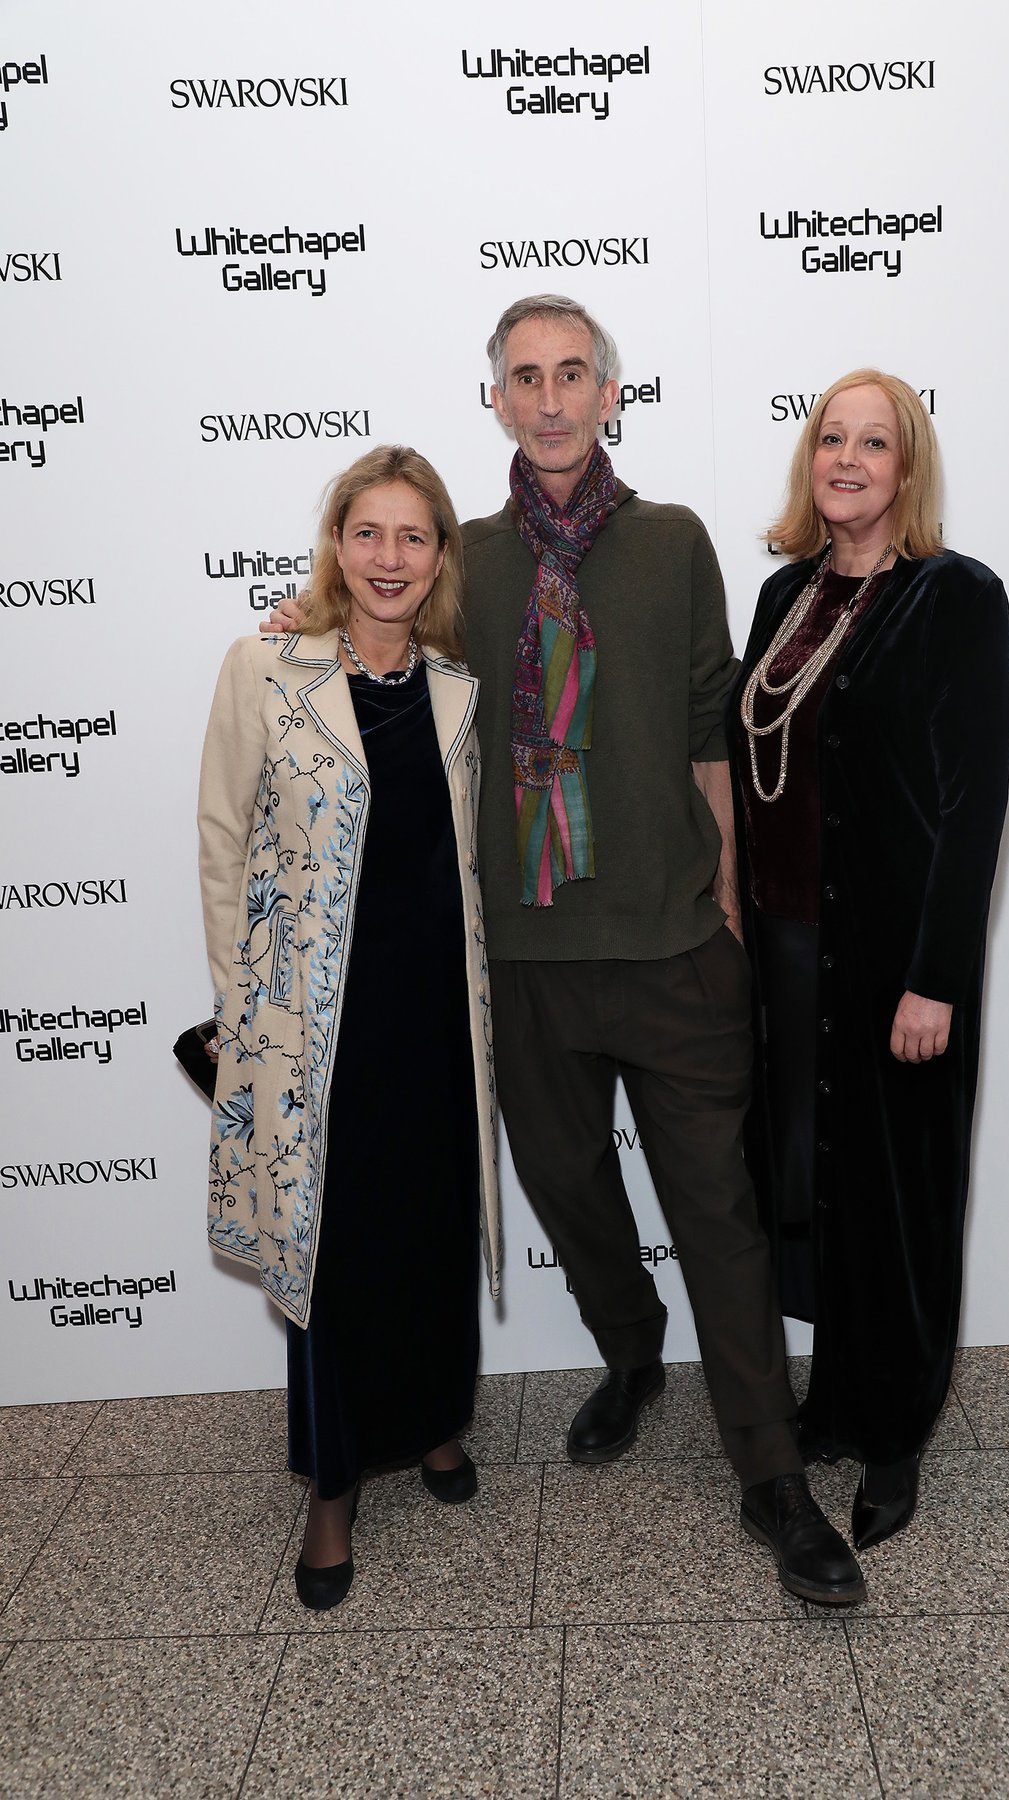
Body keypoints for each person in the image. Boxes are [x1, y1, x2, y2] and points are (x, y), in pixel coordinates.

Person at [266, 296, 865, 1607]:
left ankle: (772, 1476)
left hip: (671, 947)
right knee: (567, 1189)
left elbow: (710, 731)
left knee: (718, 1216)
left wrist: (725, 903)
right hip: (522, 959)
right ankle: (634, 1350)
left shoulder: (674, 541)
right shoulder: (460, 561)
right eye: (525, 377)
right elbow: (375, 640)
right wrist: (294, 629)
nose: (549, 399)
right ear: (496, 400)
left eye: (572, 374)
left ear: (609, 395)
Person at [199, 445, 500, 1611]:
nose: (389, 557)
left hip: (435, 1017)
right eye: (367, 532)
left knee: (430, 1227)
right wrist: (241, 1010)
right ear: (336, 544)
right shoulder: (266, 668)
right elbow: (223, 839)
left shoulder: (456, 691)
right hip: (315, 1028)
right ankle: (331, 1485)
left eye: (413, 536)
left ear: (439, 557)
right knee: (330, 1253)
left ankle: (431, 1421)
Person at [728, 370, 1009, 1551]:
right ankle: (838, 1400)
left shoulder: (956, 597)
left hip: (896, 962)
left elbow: (973, 801)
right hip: (789, 952)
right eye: (831, 438)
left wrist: (936, 977)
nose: (847, 459)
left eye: (874, 442)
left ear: (908, 468)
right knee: (821, 1182)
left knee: (902, 1197)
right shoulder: (784, 593)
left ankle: (896, 1429)